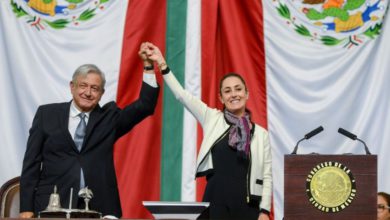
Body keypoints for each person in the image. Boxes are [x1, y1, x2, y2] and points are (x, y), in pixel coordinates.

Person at [19, 48, 160, 218]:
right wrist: (25, 208)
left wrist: (148, 66)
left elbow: (145, 105)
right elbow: (31, 164)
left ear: (101, 94)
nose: (88, 92)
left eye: (94, 88)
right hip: (53, 203)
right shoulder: (46, 114)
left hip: (99, 204)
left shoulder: (109, 118)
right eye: (83, 86)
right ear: (72, 86)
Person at [140, 42, 272, 220]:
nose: (234, 94)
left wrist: (264, 211)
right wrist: (161, 63)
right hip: (216, 200)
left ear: (247, 94)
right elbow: (182, 95)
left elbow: (267, 176)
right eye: (227, 91)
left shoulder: (261, 134)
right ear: (221, 98)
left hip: (248, 205)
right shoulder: (212, 118)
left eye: (238, 89)